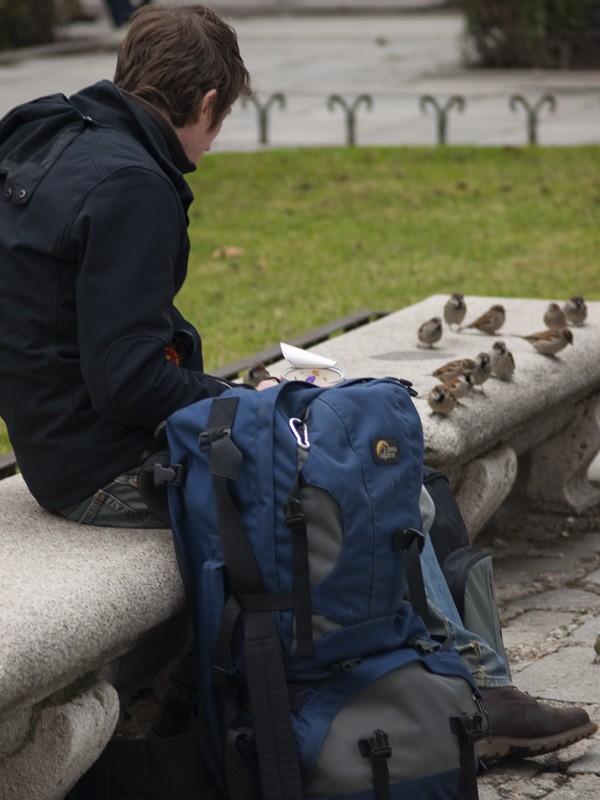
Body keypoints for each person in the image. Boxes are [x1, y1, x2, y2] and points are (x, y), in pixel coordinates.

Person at [0, 3, 594, 772]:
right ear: (207, 104)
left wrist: (230, 394)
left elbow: (87, 338)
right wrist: (252, 409)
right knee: (373, 474)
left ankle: (459, 679)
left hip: (55, 442)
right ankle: (476, 698)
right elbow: (127, 382)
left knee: (376, 454)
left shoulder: (54, 140)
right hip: (98, 470)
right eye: (221, 123)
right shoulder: (132, 186)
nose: (212, 145)